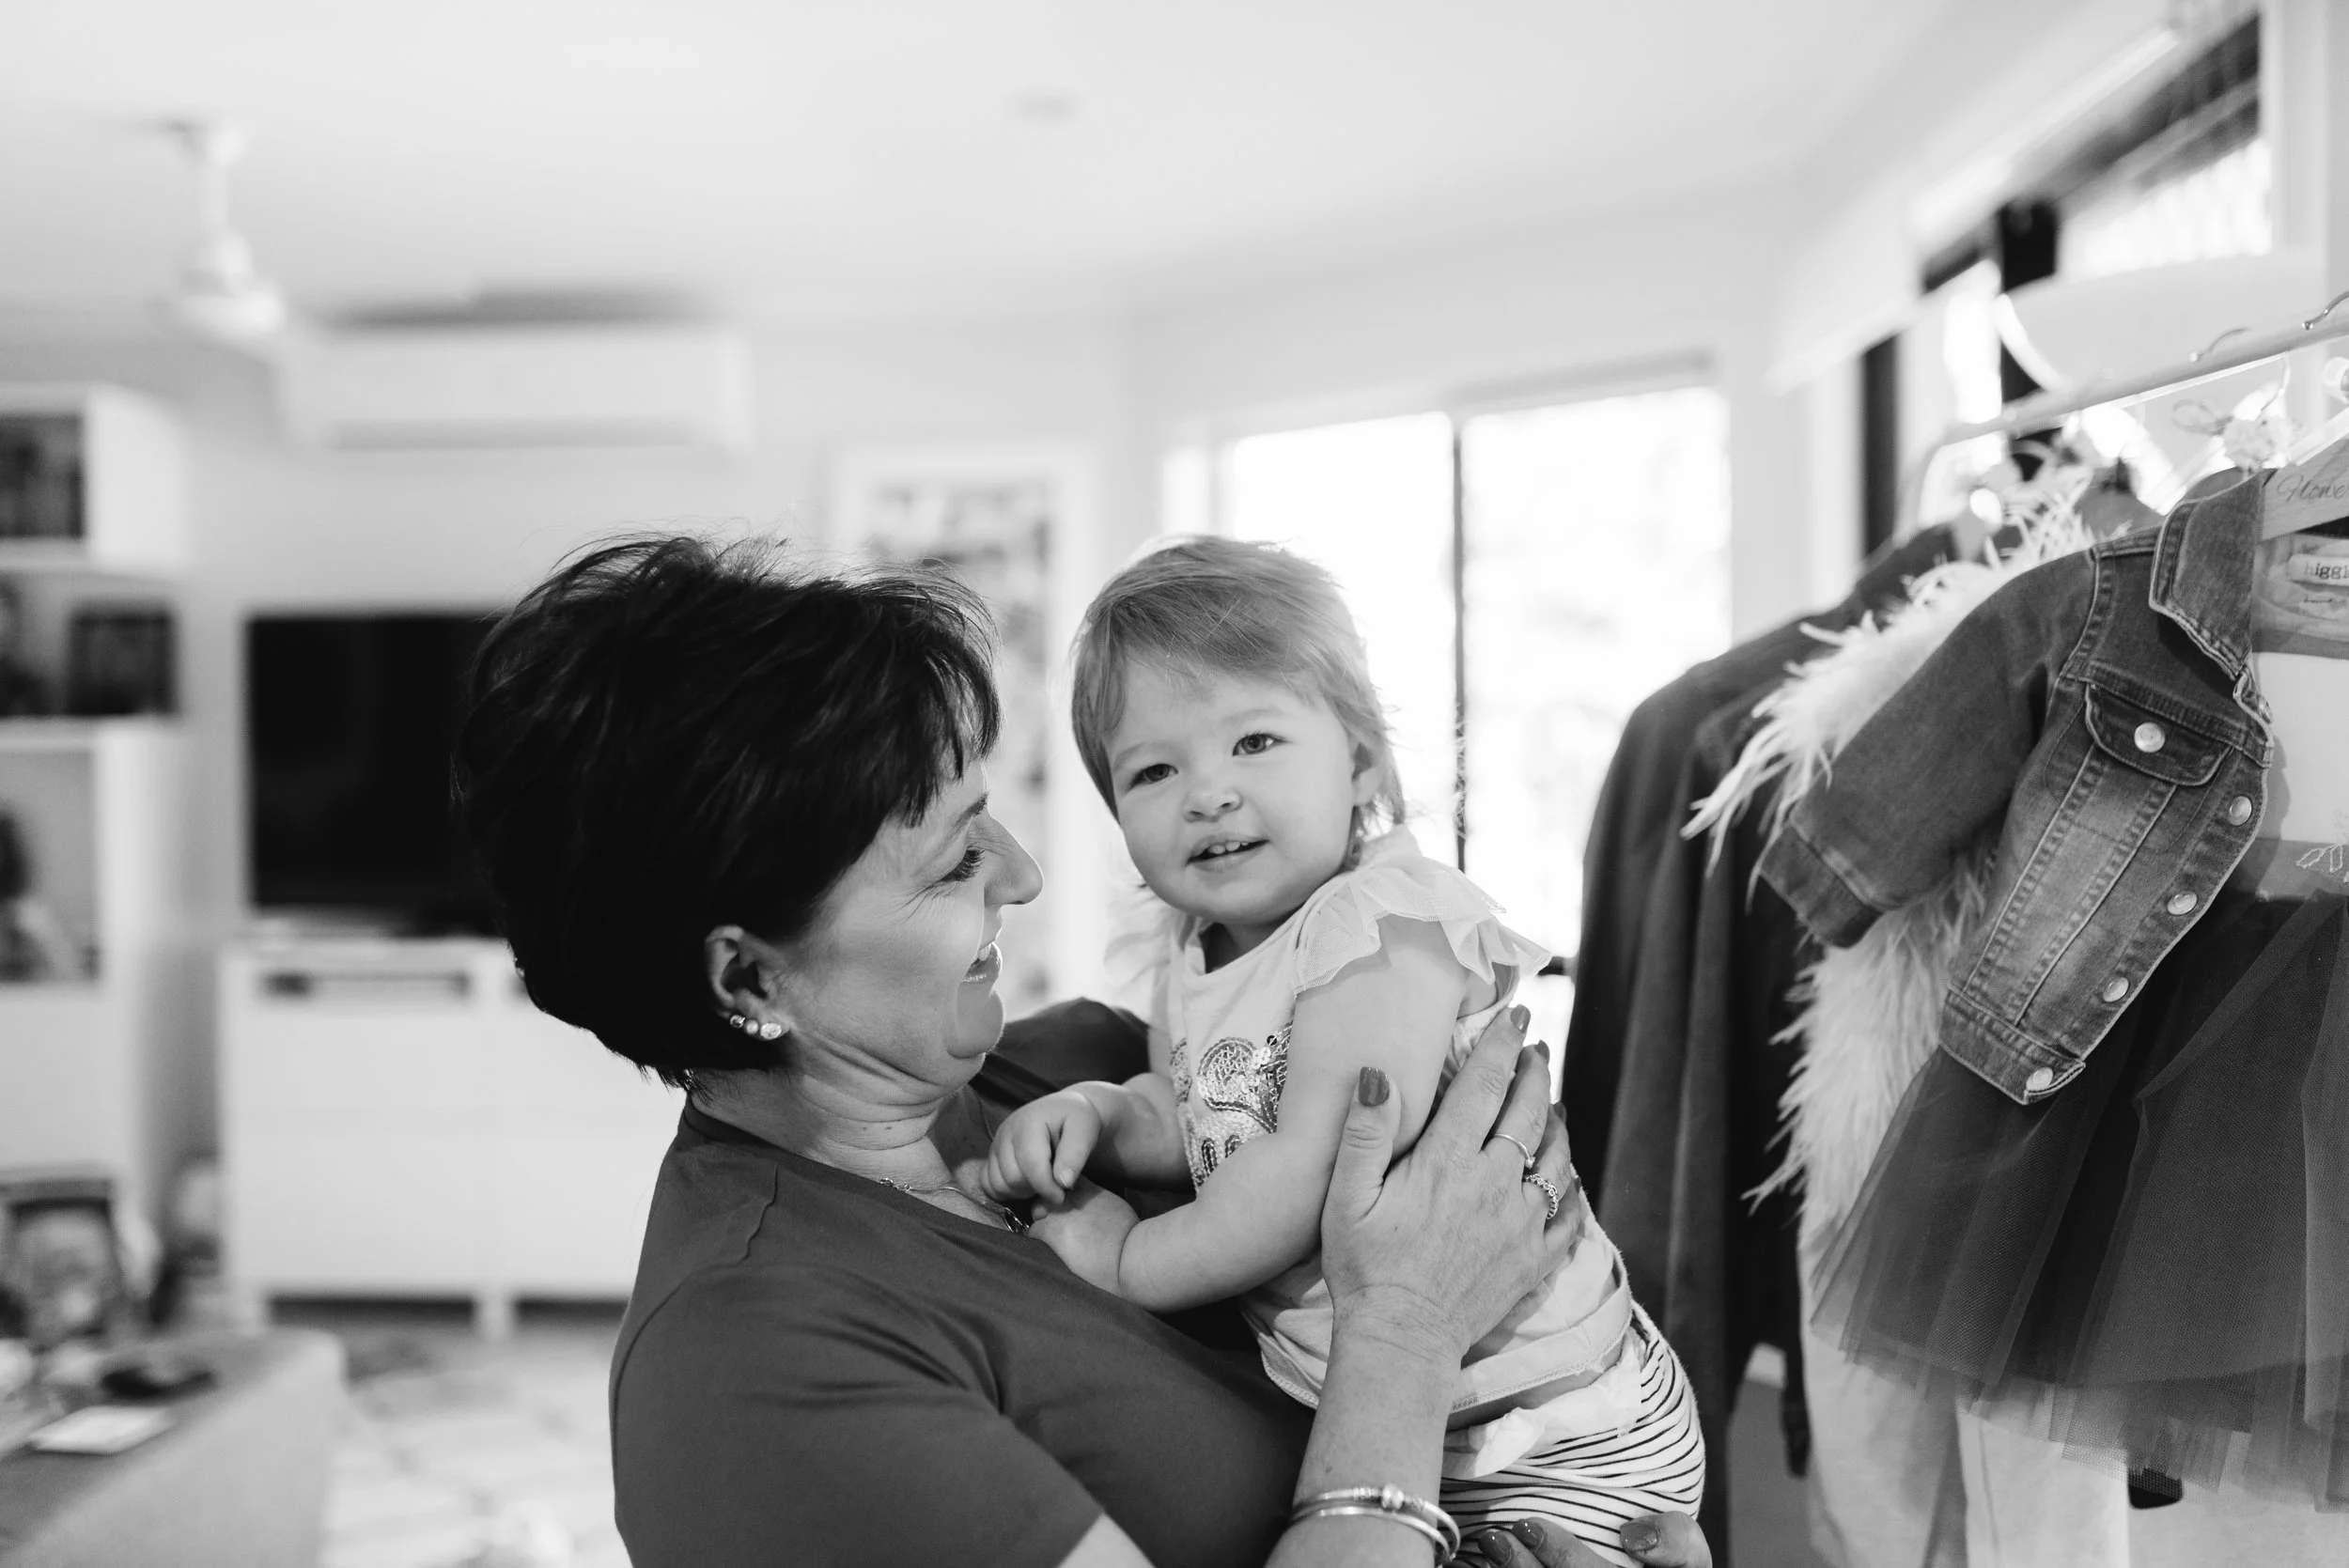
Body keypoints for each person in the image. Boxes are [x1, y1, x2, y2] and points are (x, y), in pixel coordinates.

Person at [452, 535, 1711, 1568]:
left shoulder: (1061, 1071)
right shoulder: (756, 1373)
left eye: (989, 815)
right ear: (750, 977)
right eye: (953, 857)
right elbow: (1401, 1296)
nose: (1024, 874)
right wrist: (1404, 1335)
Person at [982, 537, 1702, 1566]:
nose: (1208, 793)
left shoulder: (1379, 926)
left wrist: (1130, 1262)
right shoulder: (1194, 953)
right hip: (1431, 1419)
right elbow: (1202, 1116)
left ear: (1361, 761)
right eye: (1153, 769)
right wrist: (1102, 1111)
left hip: (1555, 1423)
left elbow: (1313, 1160)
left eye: (1254, 741)